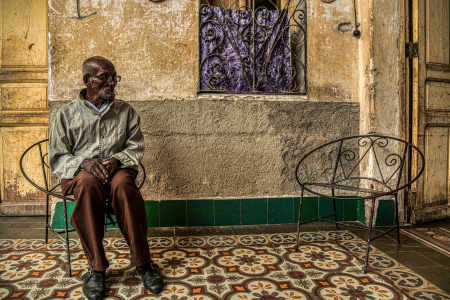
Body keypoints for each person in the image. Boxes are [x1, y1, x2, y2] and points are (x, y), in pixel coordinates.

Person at [49, 56, 163, 300]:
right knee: (87, 185)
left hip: (116, 170)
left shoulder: (126, 112)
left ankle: (143, 264)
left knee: (123, 185)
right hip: (80, 174)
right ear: (87, 81)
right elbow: (57, 157)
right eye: (104, 77)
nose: (112, 83)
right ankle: (97, 268)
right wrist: (84, 163)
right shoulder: (65, 115)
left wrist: (118, 160)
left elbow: (135, 147)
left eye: (114, 78)